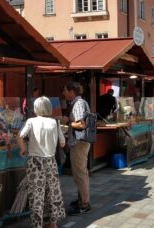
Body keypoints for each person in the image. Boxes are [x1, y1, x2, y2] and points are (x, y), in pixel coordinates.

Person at [17, 96, 66, 228]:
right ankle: (53, 223)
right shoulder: (55, 122)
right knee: (53, 193)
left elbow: (20, 136)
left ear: (36, 108)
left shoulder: (31, 121)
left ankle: (37, 224)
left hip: (35, 162)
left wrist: (23, 149)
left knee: (36, 195)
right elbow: (62, 143)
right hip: (51, 161)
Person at [62, 81, 92, 215]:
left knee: (80, 174)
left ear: (71, 91)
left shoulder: (78, 104)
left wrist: (67, 121)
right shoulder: (77, 103)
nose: (63, 93)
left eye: (65, 90)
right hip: (80, 142)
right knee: (80, 173)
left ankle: (84, 204)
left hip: (80, 143)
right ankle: (81, 199)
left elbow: (81, 124)